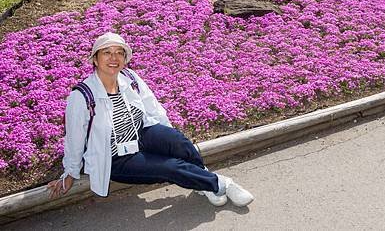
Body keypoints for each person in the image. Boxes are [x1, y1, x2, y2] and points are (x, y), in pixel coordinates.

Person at [47, 32, 254, 208]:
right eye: (107, 53)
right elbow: (74, 138)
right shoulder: (82, 96)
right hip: (116, 158)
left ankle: (201, 182)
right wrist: (70, 172)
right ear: (95, 59)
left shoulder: (129, 78)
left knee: (177, 141)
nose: (114, 58)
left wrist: (169, 140)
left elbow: (152, 107)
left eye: (119, 53)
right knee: (169, 167)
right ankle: (222, 183)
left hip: (140, 135)